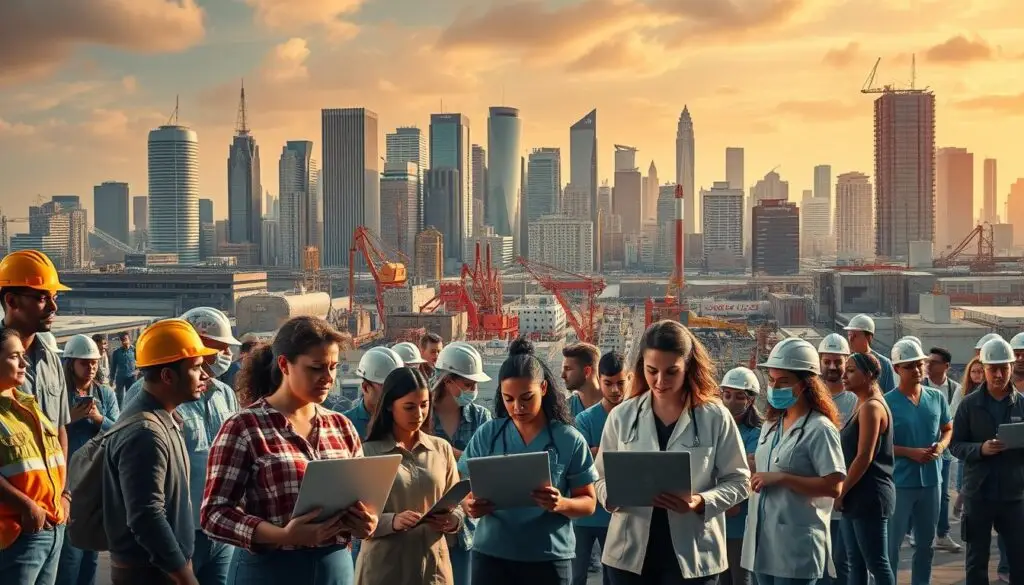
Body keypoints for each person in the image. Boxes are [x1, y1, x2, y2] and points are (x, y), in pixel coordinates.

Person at [200, 316, 377, 585]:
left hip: (335, 568)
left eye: (333, 367)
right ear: (284, 365)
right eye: (316, 368)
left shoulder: (341, 426)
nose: (328, 378)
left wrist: (366, 522)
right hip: (270, 570)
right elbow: (214, 515)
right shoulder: (244, 427)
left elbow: (360, 500)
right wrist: (283, 535)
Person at [596, 321, 750, 585]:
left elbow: (739, 480)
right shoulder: (622, 416)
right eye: (651, 371)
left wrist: (700, 501)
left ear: (688, 366)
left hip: (693, 553)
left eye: (671, 372)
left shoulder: (714, 417)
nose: (659, 381)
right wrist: (609, 495)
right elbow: (599, 477)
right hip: (630, 555)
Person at [459, 337, 597, 585]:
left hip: (548, 559)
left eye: (526, 398)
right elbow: (464, 487)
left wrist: (560, 503)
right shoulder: (488, 435)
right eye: (508, 399)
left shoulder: (568, 439)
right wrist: (470, 506)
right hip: (492, 555)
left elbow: (588, 503)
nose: (517, 407)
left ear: (543, 389)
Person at [121, 308, 241, 585]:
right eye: (220, 348)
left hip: (222, 526)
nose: (226, 355)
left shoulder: (225, 394)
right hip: (178, 530)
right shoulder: (147, 398)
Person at [104, 319, 219, 585]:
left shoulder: (164, 419)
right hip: (151, 574)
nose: (205, 376)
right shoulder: (145, 432)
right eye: (197, 368)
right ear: (168, 376)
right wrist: (184, 574)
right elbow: (147, 515)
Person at [741, 338, 846, 585]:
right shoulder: (771, 424)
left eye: (784, 382)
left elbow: (833, 486)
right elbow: (771, 464)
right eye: (772, 381)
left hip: (795, 544)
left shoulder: (820, 429)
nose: (775, 387)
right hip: (762, 541)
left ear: (805, 384)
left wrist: (783, 479)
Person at [355, 367, 464, 584]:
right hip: (384, 568)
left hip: (433, 568)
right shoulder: (367, 453)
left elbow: (458, 504)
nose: (419, 414)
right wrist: (392, 521)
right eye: (409, 407)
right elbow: (355, 519)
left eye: (424, 405)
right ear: (388, 406)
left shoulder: (441, 449)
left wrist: (453, 521)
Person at [949, 338, 1024, 585]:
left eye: (1005, 368)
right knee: (976, 561)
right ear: (984, 368)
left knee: (1019, 559)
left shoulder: (1021, 404)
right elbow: (955, 445)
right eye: (994, 369)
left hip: (1014, 495)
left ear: (1011, 367)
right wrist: (980, 449)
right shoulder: (969, 405)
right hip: (979, 494)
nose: (1000, 374)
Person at [0, 327, 68, 584]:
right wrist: (27, 507)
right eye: (14, 356)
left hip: (51, 528)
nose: (23, 363)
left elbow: (53, 456)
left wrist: (64, 495)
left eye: (23, 355)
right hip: (16, 534)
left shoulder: (29, 406)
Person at [883, 339, 952, 585]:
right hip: (900, 482)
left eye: (919, 365)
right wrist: (909, 452)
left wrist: (942, 446)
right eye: (909, 366)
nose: (916, 370)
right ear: (896, 369)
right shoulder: (886, 403)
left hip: (931, 482)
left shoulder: (935, 398)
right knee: (891, 545)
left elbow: (947, 428)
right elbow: (878, 445)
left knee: (926, 544)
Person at [0, 250, 71, 477]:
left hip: (51, 506)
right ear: (11, 301)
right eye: (42, 298)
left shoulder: (51, 360)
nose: (53, 307)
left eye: (54, 297)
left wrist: (63, 494)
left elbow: (60, 430)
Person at [56, 334, 120, 585]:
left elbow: (119, 431)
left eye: (94, 362)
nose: (91, 367)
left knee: (90, 558)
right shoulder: (59, 394)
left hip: (95, 485)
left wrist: (98, 419)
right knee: (70, 558)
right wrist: (67, 419)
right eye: (85, 363)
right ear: (71, 363)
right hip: (68, 485)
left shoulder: (105, 395)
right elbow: (46, 430)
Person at [430, 342, 492, 585]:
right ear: (447, 381)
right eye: (468, 384)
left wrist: (447, 454)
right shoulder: (422, 416)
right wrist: (460, 456)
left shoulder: (481, 417)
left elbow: (485, 467)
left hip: (467, 527)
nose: (474, 390)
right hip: (426, 521)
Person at [836, 353, 895, 585]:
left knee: (877, 564)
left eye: (850, 370)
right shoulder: (862, 403)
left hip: (869, 495)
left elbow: (864, 456)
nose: (844, 375)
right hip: (857, 494)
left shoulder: (872, 407)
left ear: (868, 374)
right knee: (855, 562)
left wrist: (841, 492)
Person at [572, 350, 628, 585]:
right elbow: (581, 461)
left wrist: (598, 452)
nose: (615, 390)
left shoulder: (636, 414)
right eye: (608, 384)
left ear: (630, 379)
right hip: (585, 515)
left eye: (620, 383)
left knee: (615, 577)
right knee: (576, 576)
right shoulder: (585, 419)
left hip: (619, 513)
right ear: (598, 380)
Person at [718, 366, 762, 585]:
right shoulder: (715, 428)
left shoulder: (756, 434)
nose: (731, 401)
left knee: (740, 577)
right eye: (727, 395)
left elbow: (750, 471)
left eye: (738, 396)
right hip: (716, 518)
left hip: (740, 521)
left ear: (750, 400)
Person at [922, 346, 962, 553]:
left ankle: (942, 534)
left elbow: (956, 419)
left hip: (944, 450)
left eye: (934, 362)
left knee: (943, 493)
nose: (928, 365)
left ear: (946, 366)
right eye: (927, 362)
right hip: (921, 450)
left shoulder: (955, 389)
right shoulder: (920, 386)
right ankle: (918, 531)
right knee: (921, 491)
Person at [342, 346, 405, 438]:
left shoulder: (404, 420)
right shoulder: (344, 424)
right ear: (366, 388)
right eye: (387, 387)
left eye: (398, 386)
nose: (395, 393)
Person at [951, 357, 984, 521]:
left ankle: (963, 505)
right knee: (963, 477)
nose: (977, 375)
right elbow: (954, 413)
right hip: (966, 441)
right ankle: (961, 503)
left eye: (981, 371)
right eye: (974, 371)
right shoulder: (962, 391)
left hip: (982, 442)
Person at [843, 314, 896, 392]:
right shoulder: (844, 361)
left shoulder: (884, 364)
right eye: (849, 335)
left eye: (855, 336)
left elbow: (890, 396)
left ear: (869, 337)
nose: (850, 339)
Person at [562, 343, 602, 417]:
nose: (562, 375)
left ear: (587, 371)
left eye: (568, 369)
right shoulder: (565, 409)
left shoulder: (613, 404)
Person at [110, 333, 137, 407]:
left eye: (125, 339)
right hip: (120, 377)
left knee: (131, 395)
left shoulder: (134, 350)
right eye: (122, 340)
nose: (124, 341)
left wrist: (137, 371)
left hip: (131, 377)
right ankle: (119, 413)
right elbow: (113, 366)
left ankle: (130, 410)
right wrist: (111, 379)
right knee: (119, 396)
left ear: (129, 340)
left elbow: (140, 361)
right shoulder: (116, 352)